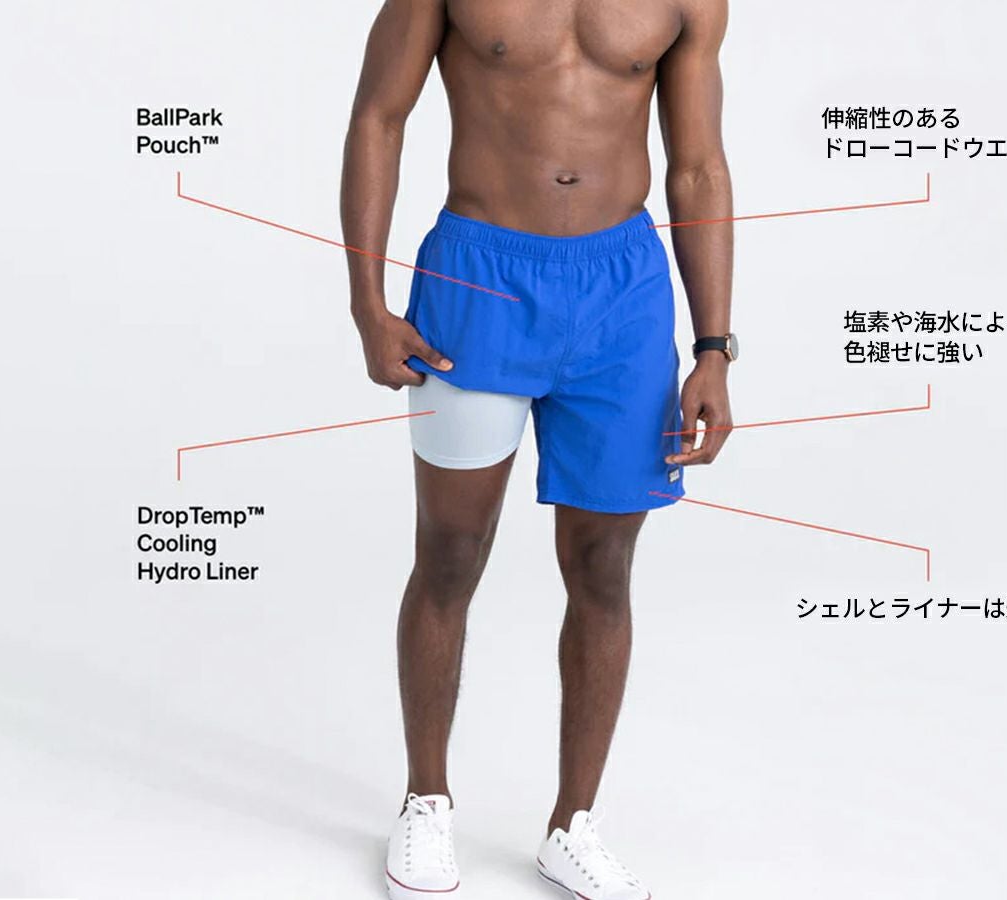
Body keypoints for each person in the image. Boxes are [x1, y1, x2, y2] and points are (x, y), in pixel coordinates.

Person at [340, 2, 735, 897]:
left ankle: (573, 824)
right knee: (450, 551)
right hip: (477, 279)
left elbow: (699, 166)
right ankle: (426, 800)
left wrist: (714, 347)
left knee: (604, 568)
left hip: (622, 295)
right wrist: (368, 303)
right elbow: (378, 117)